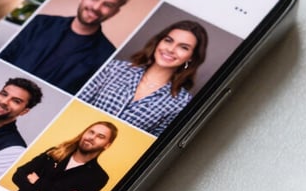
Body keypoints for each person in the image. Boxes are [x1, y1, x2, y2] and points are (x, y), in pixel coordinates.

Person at [0, 0, 130, 93]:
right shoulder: (39, 23)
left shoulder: (107, 56)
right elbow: (3, 56)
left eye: (107, 5)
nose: (96, 7)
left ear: (115, 12)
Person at [77, 20, 208, 136]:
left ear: (192, 57)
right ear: (158, 42)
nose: (171, 49)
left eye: (183, 47)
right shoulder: (114, 68)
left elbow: (151, 144)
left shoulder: (182, 103)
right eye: (168, 40)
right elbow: (75, 104)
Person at [11, 122, 116, 191]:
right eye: (91, 132)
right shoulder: (54, 153)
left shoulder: (98, 177)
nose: (92, 137)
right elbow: (18, 175)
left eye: (100, 136)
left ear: (107, 145)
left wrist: (37, 182)